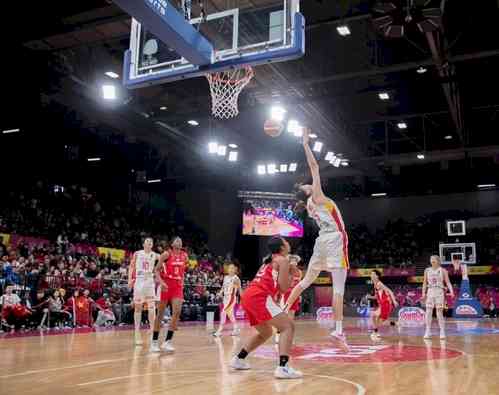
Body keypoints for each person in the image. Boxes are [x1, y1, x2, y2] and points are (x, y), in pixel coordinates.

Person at [285, 127, 350, 351]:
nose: (308, 183)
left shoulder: (310, 205)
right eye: (305, 185)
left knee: (305, 282)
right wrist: (305, 143)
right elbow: (314, 166)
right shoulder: (317, 196)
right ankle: (339, 330)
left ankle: (284, 311)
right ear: (307, 191)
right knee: (339, 288)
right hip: (334, 239)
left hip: (321, 242)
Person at [230, 236, 302, 379]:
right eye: (286, 242)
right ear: (282, 247)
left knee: (266, 332)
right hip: (259, 296)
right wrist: (292, 275)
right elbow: (283, 288)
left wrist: (289, 271)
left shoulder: (269, 260)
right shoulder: (283, 260)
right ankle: (283, 367)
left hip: (249, 296)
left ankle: (239, 359)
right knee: (288, 326)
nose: (288, 243)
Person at [151, 237, 188, 353]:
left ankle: (167, 341)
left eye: (180, 240)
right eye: (176, 240)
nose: (179, 242)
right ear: (172, 244)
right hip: (166, 285)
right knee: (160, 315)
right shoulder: (166, 254)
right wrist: (161, 282)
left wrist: (182, 280)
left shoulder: (184, 256)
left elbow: (182, 270)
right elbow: (156, 270)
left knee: (177, 312)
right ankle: (154, 342)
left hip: (177, 286)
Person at [128, 237, 158, 346]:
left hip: (149, 281)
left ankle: (152, 331)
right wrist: (129, 279)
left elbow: (165, 258)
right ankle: (137, 333)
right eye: (147, 241)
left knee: (152, 307)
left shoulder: (155, 255)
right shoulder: (137, 253)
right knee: (138, 307)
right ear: (143, 244)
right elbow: (131, 266)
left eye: (151, 242)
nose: (149, 243)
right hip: (139, 281)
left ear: (152, 245)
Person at [422, 255, 454, 340]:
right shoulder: (427, 270)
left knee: (439, 312)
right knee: (428, 311)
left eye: (434, 259)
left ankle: (442, 331)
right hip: (430, 291)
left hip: (439, 291)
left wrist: (451, 291)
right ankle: (428, 331)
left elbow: (448, 282)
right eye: (431, 259)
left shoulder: (443, 270)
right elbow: (424, 283)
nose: (432, 260)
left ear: (438, 261)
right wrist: (423, 293)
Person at [275, 254, 302, 344]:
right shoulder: (285, 271)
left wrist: (300, 295)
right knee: (283, 317)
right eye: (291, 260)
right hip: (285, 295)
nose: (293, 262)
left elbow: (300, 285)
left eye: (295, 260)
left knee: (291, 318)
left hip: (295, 296)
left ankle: (289, 337)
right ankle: (278, 336)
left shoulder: (299, 272)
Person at [213, 263, 241, 337]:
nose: (231, 269)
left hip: (231, 298)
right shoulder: (225, 277)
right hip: (225, 298)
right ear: (227, 269)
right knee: (230, 314)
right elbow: (223, 287)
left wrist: (243, 299)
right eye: (229, 268)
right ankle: (236, 328)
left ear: (235, 270)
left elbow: (240, 290)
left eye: (232, 268)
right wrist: (220, 293)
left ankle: (219, 331)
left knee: (223, 312)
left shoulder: (236, 278)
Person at [370, 270, 398, 341]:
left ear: (377, 276)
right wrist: (370, 297)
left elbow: (390, 291)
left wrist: (394, 301)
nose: (371, 275)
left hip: (386, 304)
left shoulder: (379, 284)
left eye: (373, 274)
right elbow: (377, 297)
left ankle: (375, 333)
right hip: (382, 305)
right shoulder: (375, 284)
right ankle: (395, 323)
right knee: (376, 318)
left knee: (379, 321)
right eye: (371, 274)